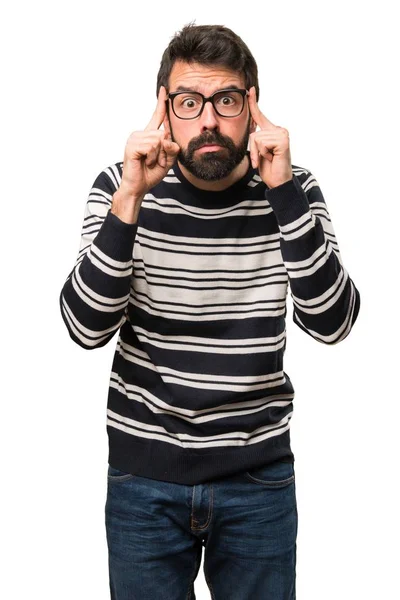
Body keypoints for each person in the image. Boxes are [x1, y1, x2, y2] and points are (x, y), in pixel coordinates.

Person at [59, 22, 360, 600]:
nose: (209, 121)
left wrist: (284, 194)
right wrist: (129, 201)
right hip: (143, 481)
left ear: (252, 105)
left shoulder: (293, 188)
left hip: (258, 480)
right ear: (164, 111)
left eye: (226, 100)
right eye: (189, 102)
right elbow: (84, 327)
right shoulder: (121, 189)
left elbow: (334, 323)